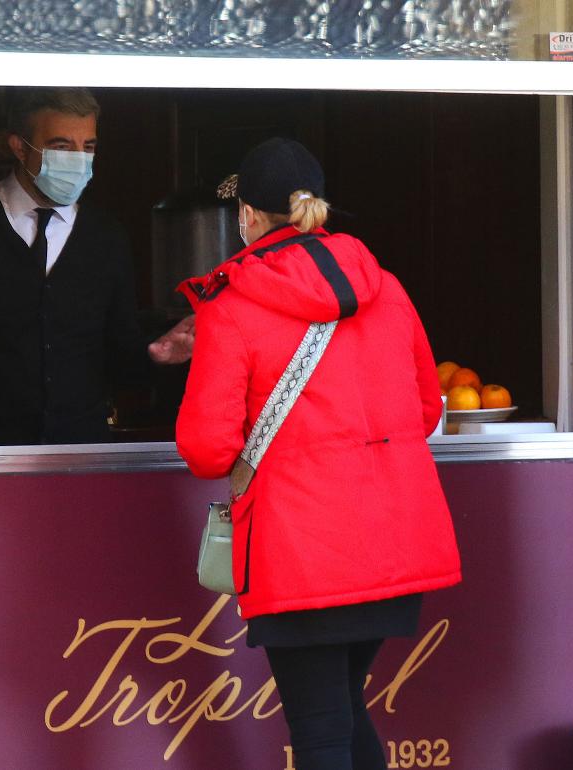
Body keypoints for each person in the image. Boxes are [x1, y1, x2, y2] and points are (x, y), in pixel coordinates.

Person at [175, 137, 462, 770]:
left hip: (301, 551)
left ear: (247, 216)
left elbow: (206, 448)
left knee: (322, 732)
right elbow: (427, 409)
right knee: (341, 713)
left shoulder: (232, 304)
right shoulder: (385, 287)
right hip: (392, 546)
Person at [0, 87, 193, 445]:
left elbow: (122, 355)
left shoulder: (106, 238)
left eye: (88, 147)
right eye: (62, 147)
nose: (78, 160)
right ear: (18, 146)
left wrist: (156, 355)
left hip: (82, 454)